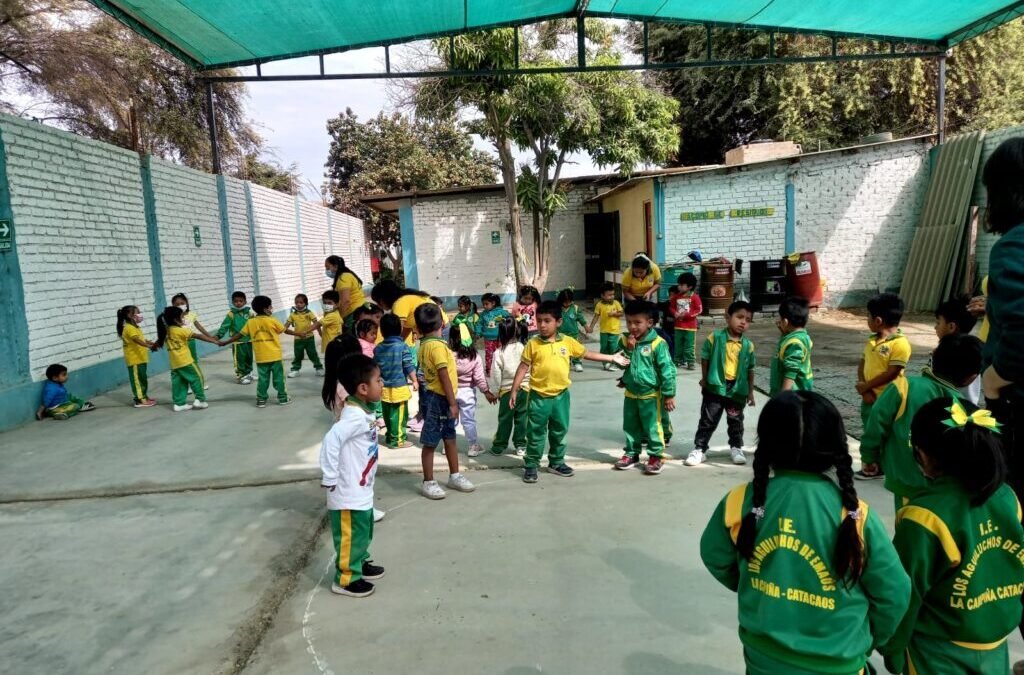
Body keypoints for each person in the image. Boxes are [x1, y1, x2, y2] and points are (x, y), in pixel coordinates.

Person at [700, 391, 910, 675]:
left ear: (765, 443)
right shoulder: (855, 517)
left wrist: (761, 585)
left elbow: (715, 555)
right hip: (839, 662)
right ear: (837, 448)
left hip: (762, 660)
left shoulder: (741, 503)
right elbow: (894, 592)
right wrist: (867, 638)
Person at [879, 397, 1024, 675]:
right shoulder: (1008, 498)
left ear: (922, 455)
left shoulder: (923, 516)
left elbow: (904, 595)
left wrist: (893, 649)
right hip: (994, 644)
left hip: (937, 651)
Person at [510, 301, 629, 483]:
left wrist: (611, 357)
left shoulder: (567, 341)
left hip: (561, 397)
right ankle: (531, 464)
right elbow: (523, 367)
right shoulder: (533, 344)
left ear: (558, 322)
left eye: (547, 321)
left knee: (559, 430)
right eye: (539, 320)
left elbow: (587, 354)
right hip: (538, 398)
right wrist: (514, 390)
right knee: (535, 433)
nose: (542, 325)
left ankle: (556, 462)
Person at [856, 334, 982, 501]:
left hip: (904, 482)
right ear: (971, 378)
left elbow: (876, 423)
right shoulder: (963, 408)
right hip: (943, 489)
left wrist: (869, 456)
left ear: (934, 356)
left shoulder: (904, 386)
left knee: (907, 523)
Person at [319, 353, 385, 598]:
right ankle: (346, 578)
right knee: (350, 535)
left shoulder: (363, 411)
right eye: (379, 380)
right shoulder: (353, 417)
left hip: (361, 488)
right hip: (346, 491)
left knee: (363, 530)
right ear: (363, 388)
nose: (383, 384)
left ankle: (359, 562)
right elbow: (331, 440)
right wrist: (329, 476)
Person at [414, 303, 476, 500]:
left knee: (449, 437)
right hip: (439, 399)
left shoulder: (423, 345)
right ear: (442, 323)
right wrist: (452, 403)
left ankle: (454, 475)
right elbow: (444, 376)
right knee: (432, 441)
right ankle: (428, 481)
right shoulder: (438, 348)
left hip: (434, 397)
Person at [687, 301, 756, 467]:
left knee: (736, 421)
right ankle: (699, 449)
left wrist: (750, 392)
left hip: (737, 390)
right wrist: (704, 378)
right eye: (739, 317)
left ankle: (736, 447)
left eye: (747, 319)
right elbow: (705, 357)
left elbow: (750, 369)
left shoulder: (748, 345)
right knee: (708, 419)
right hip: (715, 387)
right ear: (727, 317)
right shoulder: (716, 337)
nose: (743, 322)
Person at [613, 301, 676, 475]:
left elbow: (668, 370)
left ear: (649, 322)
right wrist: (629, 350)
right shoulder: (625, 340)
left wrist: (669, 394)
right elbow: (620, 364)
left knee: (653, 426)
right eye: (629, 322)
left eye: (637, 322)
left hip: (651, 394)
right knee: (630, 425)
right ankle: (631, 453)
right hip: (631, 393)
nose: (632, 327)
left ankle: (656, 456)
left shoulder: (658, 343)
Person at [219, 295, 302, 408]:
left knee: (263, 379)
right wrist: (299, 334)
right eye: (270, 307)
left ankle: (261, 399)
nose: (271, 308)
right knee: (279, 379)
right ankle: (283, 398)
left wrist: (226, 342)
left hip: (261, 357)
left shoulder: (250, 322)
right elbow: (285, 330)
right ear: (265, 309)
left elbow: (239, 335)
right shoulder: (272, 320)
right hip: (275, 356)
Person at [856, 292, 911, 428]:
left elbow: (892, 373)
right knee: (869, 429)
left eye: (868, 315)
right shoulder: (872, 340)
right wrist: (865, 389)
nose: (866, 319)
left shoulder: (900, 343)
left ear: (878, 321)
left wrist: (866, 386)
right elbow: (862, 365)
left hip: (888, 400)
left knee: (886, 431)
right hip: (869, 398)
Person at [156, 305, 219, 412]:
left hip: (175, 364)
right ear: (176, 319)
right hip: (186, 361)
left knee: (179, 383)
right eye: (182, 317)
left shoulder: (166, 332)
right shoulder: (181, 330)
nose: (183, 319)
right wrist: (214, 341)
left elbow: (158, 343)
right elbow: (198, 336)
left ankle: (179, 403)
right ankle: (200, 400)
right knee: (197, 378)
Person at [448, 324, 496, 457]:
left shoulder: (448, 355)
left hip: (450, 392)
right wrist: (486, 391)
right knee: (468, 420)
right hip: (467, 393)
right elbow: (479, 378)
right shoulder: (474, 357)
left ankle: (449, 446)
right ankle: (472, 446)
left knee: (450, 419)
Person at [373, 314, 417, 449]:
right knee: (399, 415)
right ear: (399, 329)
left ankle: (390, 435)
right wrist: (415, 380)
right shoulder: (402, 346)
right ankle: (397, 440)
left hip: (383, 387)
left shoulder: (378, 348)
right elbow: (408, 365)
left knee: (388, 414)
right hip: (399, 387)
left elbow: (375, 367)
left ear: (382, 331)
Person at [488, 318, 529, 457]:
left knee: (505, 419)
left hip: (506, 391)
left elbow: (495, 374)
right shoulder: (524, 347)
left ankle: (499, 446)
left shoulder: (499, 352)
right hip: (524, 389)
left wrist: (495, 392)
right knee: (522, 418)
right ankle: (521, 445)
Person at [934, 296, 980, 404]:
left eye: (938, 323)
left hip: (952, 407)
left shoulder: (949, 353)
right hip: (967, 407)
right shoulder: (973, 348)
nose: (935, 327)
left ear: (951, 327)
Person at [371, 280, 447, 345]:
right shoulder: (405, 298)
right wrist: (399, 343)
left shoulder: (399, 303)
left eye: (378, 301)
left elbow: (396, 329)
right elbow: (406, 329)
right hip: (438, 327)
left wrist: (390, 346)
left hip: (438, 329)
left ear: (383, 299)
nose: (378, 305)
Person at [769, 296, 814, 396]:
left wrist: (784, 396)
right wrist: (784, 333)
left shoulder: (794, 343)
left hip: (792, 397)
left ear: (785, 322)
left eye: (780, 319)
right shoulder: (802, 337)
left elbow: (791, 371)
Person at [116, 305, 156, 408]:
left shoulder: (135, 327)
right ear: (130, 315)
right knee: (137, 381)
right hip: (134, 360)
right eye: (138, 312)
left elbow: (141, 339)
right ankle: (139, 400)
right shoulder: (129, 328)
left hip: (141, 358)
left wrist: (151, 343)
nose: (140, 314)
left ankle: (144, 396)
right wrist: (148, 346)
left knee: (142, 379)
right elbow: (136, 340)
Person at [171, 293, 213, 388]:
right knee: (183, 364)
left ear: (186, 303)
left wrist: (210, 336)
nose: (180, 306)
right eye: (177, 304)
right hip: (179, 345)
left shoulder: (191, 314)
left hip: (191, 342)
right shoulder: (172, 317)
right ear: (173, 306)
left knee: (193, 362)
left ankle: (198, 384)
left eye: (182, 303)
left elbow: (199, 327)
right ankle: (186, 385)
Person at [216, 291, 254, 385]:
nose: (238, 303)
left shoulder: (250, 313)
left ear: (245, 302)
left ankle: (248, 373)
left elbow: (254, 325)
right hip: (237, 341)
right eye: (236, 301)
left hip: (249, 340)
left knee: (249, 358)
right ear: (232, 302)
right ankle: (240, 376)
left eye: (241, 301)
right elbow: (224, 326)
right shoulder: (231, 314)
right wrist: (219, 335)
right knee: (239, 359)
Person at [667, 272, 701, 369]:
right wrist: (675, 313)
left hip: (690, 327)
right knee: (678, 344)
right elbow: (671, 307)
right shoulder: (676, 297)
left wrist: (687, 315)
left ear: (690, 287)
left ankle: (690, 362)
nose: (679, 287)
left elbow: (699, 310)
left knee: (689, 345)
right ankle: (677, 360)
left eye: (681, 285)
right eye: (679, 284)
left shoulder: (695, 297)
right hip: (678, 326)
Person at [588, 282, 624, 371]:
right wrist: (591, 327)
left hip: (614, 330)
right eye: (609, 295)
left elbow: (621, 313)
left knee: (613, 347)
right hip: (604, 330)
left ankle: (614, 362)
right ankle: (605, 363)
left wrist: (615, 314)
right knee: (604, 347)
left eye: (613, 294)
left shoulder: (616, 303)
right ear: (602, 296)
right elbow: (596, 316)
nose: (612, 296)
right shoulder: (599, 305)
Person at [285, 294, 323, 378]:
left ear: (305, 303)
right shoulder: (292, 315)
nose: (298, 304)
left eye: (301, 302)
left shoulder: (309, 313)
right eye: (297, 302)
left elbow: (316, 324)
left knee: (312, 354)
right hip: (298, 339)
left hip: (309, 338)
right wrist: (283, 328)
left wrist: (320, 333)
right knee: (298, 355)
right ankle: (295, 370)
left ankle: (319, 368)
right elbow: (285, 327)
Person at [324, 255, 366, 331]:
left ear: (335, 266)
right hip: (358, 310)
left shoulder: (344, 278)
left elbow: (345, 301)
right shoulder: (346, 275)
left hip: (353, 313)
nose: (326, 271)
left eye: (327, 268)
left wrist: (340, 318)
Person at [557, 288, 590, 372]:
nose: (567, 303)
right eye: (565, 301)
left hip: (573, 334)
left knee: (575, 349)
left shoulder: (575, 308)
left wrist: (586, 327)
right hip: (561, 335)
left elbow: (581, 319)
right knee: (563, 350)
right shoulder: (557, 309)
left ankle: (577, 363)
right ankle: (566, 363)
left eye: (569, 301)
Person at [478, 292, 510, 375]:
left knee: (501, 353)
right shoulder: (483, 314)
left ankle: (502, 369)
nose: (484, 306)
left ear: (493, 303)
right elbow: (479, 324)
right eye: (483, 304)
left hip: (500, 338)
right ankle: (489, 370)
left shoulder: (501, 312)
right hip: (488, 339)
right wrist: (478, 332)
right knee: (489, 354)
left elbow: (510, 319)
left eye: (486, 304)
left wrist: (507, 327)